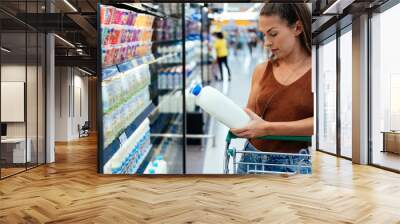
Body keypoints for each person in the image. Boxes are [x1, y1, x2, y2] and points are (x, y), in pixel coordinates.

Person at [230, 3, 313, 174]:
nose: (267, 43)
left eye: (273, 34)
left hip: (295, 165)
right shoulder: (261, 70)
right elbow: (251, 115)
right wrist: (227, 113)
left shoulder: (321, 70)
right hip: (251, 158)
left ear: (297, 28)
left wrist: (269, 128)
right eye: (264, 35)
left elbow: (326, 123)